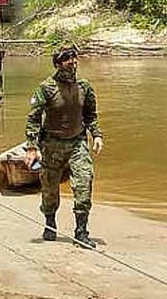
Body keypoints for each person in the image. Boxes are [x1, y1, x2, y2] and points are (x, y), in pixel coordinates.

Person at [24, 46, 104, 248]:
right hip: (51, 145)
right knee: (50, 190)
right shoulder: (46, 88)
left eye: (75, 59)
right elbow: (33, 118)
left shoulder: (84, 87)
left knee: (84, 183)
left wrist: (96, 135)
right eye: (69, 60)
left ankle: (81, 232)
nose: (74, 63)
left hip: (77, 143)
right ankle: (50, 224)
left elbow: (90, 115)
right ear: (58, 64)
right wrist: (32, 147)